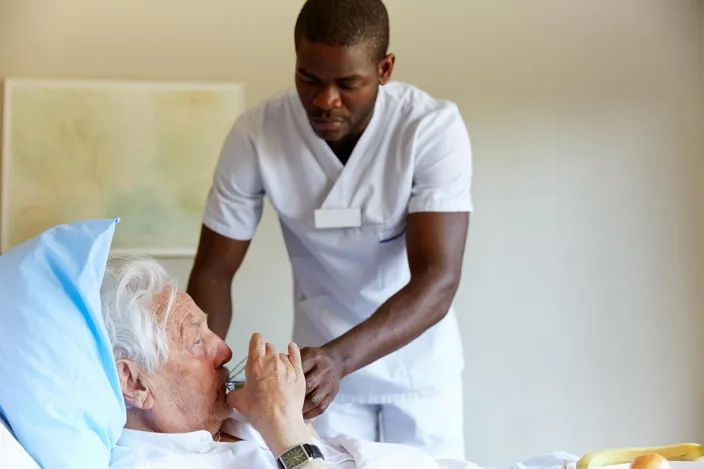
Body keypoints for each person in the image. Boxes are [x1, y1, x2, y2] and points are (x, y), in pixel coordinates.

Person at [187, 0, 473, 459]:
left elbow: (438, 280)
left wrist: (341, 357)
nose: (325, 101)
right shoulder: (257, 134)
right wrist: (197, 369)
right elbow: (214, 272)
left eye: (348, 84)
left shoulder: (430, 129)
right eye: (310, 79)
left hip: (416, 372)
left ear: (384, 68)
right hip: (319, 377)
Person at [102, 256, 479, 469]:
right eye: (197, 341)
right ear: (133, 381)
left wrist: (291, 419)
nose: (226, 351)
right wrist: (287, 431)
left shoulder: (224, 422)